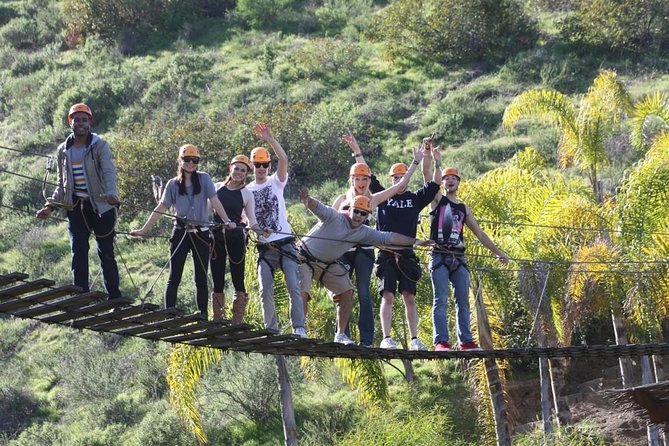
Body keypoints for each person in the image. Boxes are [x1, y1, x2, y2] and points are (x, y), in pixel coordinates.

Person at [298, 191, 433, 345]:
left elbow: (389, 237)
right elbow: (317, 207)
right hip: (304, 258)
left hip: (327, 264)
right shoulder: (334, 217)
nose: (358, 216)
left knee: (347, 292)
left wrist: (415, 242)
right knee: (303, 292)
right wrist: (306, 199)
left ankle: (340, 335)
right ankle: (300, 330)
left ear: (367, 217)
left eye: (363, 214)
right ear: (350, 210)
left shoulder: (364, 232)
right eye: (356, 211)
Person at [333, 132, 420, 347]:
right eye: (357, 179)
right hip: (343, 250)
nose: (361, 183)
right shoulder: (342, 199)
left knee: (363, 293)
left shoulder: (371, 199)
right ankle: (341, 334)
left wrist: (416, 162)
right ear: (351, 180)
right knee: (343, 291)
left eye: (364, 180)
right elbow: (328, 226)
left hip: (364, 249)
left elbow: (398, 187)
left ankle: (367, 340)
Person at [129, 144, 235, 319]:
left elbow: (215, 201)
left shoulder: (204, 179)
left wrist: (227, 221)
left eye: (194, 160)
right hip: (180, 232)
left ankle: (202, 314)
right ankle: (169, 313)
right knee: (174, 275)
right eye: (187, 159)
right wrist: (144, 230)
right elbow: (161, 207)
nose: (190, 163)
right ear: (180, 160)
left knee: (201, 278)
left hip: (200, 233)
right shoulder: (172, 184)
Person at [36, 103, 122, 299]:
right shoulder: (63, 151)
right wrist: (49, 206)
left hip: (101, 205)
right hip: (76, 207)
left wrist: (111, 193)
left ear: (90, 122)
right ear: (70, 122)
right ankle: (80, 295)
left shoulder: (99, 145)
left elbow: (108, 171)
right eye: (77, 120)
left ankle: (115, 296)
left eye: (84, 120)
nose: (80, 123)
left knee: (106, 250)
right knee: (78, 250)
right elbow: (62, 184)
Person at [428, 165, 509, 351]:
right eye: (446, 178)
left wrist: (498, 252)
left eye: (453, 178)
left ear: (458, 182)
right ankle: (441, 342)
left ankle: (466, 341)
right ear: (442, 182)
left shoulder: (463, 208)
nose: (449, 181)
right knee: (440, 299)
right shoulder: (437, 201)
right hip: (439, 255)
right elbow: (427, 177)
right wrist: (435, 161)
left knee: (463, 300)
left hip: (459, 257)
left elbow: (479, 233)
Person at [374, 143, 442, 351]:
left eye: (401, 177)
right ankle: (386, 337)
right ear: (390, 180)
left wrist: (435, 159)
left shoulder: (414, 199)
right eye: (395, 177)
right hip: (386, 252)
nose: (398, 180)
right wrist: (357, 151)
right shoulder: (383, 197)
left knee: (409, 297)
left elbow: (434, 185)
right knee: (388, 295)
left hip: (407, 254)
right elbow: (366, 174)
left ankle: (414, 339)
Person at [246, 123, 307, 337]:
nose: (261, 168)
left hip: (286, 243)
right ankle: (271, 330)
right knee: (265, 291)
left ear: (268, 165)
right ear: (252, 166)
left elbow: (284, 160)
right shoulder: (247, 191)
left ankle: (299, 327)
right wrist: (257, 230)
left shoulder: (276, 182)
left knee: (294, 286)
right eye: (257, 164)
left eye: (264, 164)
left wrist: (270, 139)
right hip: (265, 248)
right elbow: (247, 221)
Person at [209, 154, 270, 322]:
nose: (239, 173)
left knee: (237, 276)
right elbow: (205, 211)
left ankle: (237, 318)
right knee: (217, 276)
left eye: (243, 171)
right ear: (230, 168)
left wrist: (261, 231)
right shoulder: (216, 188)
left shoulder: (246, 194)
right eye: (236, 169)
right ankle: (218, 316)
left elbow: (252, 221)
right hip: (216, 237)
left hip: (236, 238)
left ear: (246, 174)